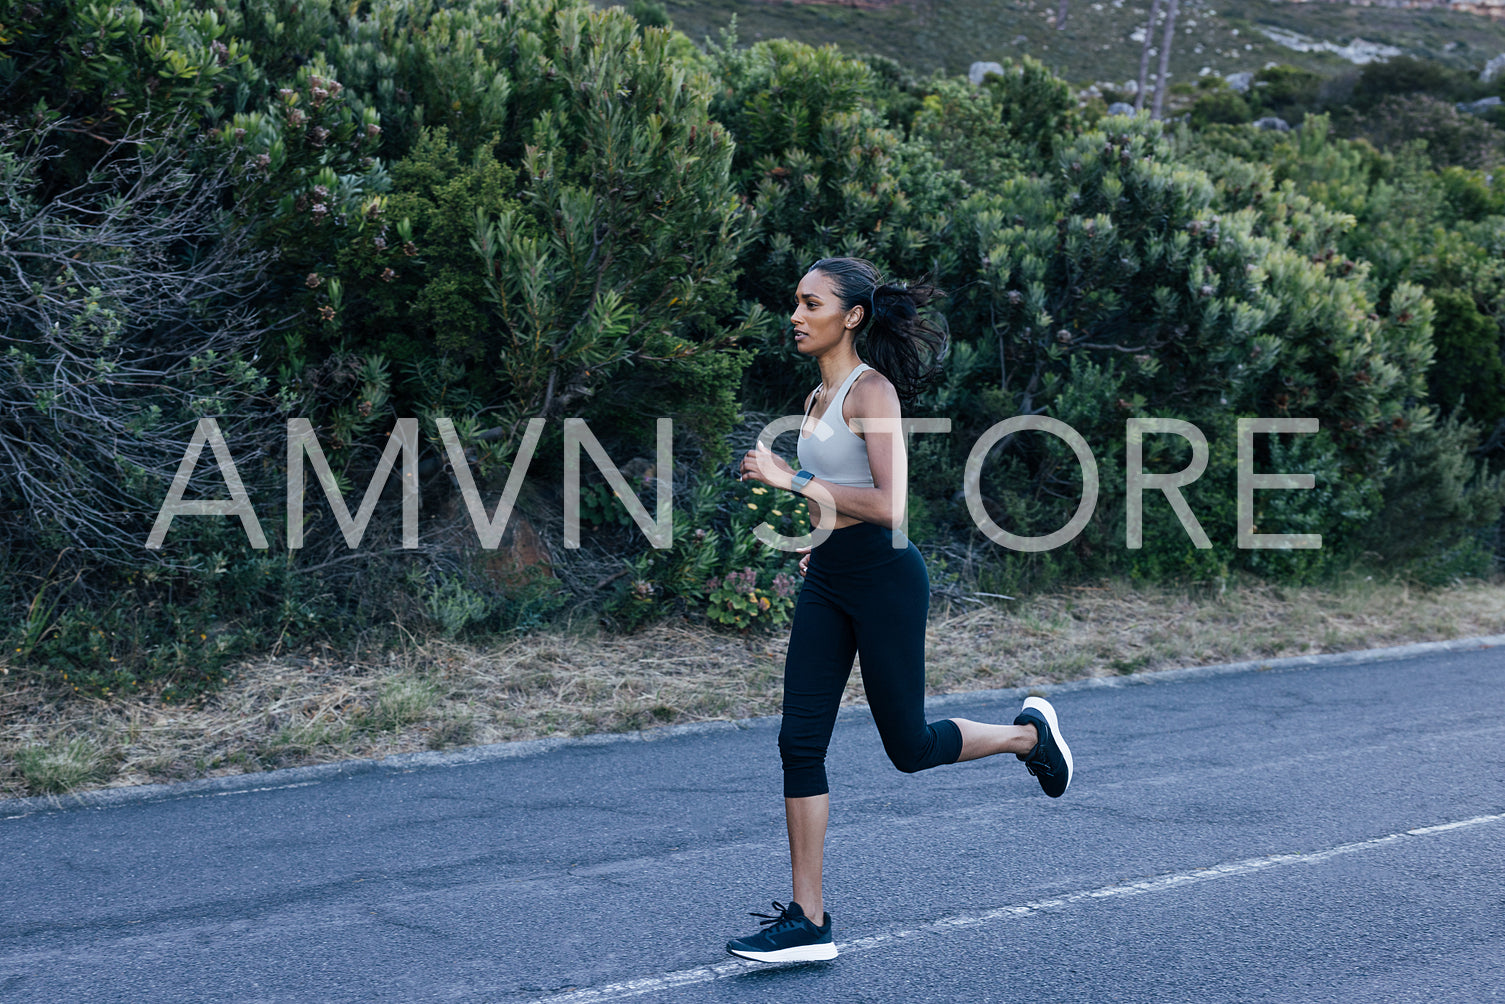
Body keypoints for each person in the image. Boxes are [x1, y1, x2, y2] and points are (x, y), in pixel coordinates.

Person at [726, 257, 1074, 964]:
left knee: (908, 748)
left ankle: (1028, 739)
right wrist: (820, 538)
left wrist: (785, 475)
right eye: (794, 302)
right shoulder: (817, 395)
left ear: (850, 316)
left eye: (810, 303)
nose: (795, 315)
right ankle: (808, 920)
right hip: (829, 577)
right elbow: (843, 495)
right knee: (798, 743)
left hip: (885, 581)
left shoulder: (870, 392)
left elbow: (890, 506)